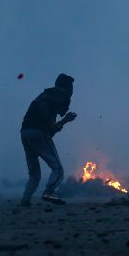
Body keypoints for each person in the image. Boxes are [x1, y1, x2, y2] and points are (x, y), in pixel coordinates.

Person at [20, 74, 77, 206]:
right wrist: (53, 122)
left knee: (34, 173)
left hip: (25, 133)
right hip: (37, 132)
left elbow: (49, 132)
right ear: (66, 87)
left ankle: (25, 199)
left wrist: (63, 121)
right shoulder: (57, 95)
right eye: (71, 87)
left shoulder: (46, 95)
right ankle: (49, 192)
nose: (72, 91)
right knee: (57, 169)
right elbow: (46, 124)